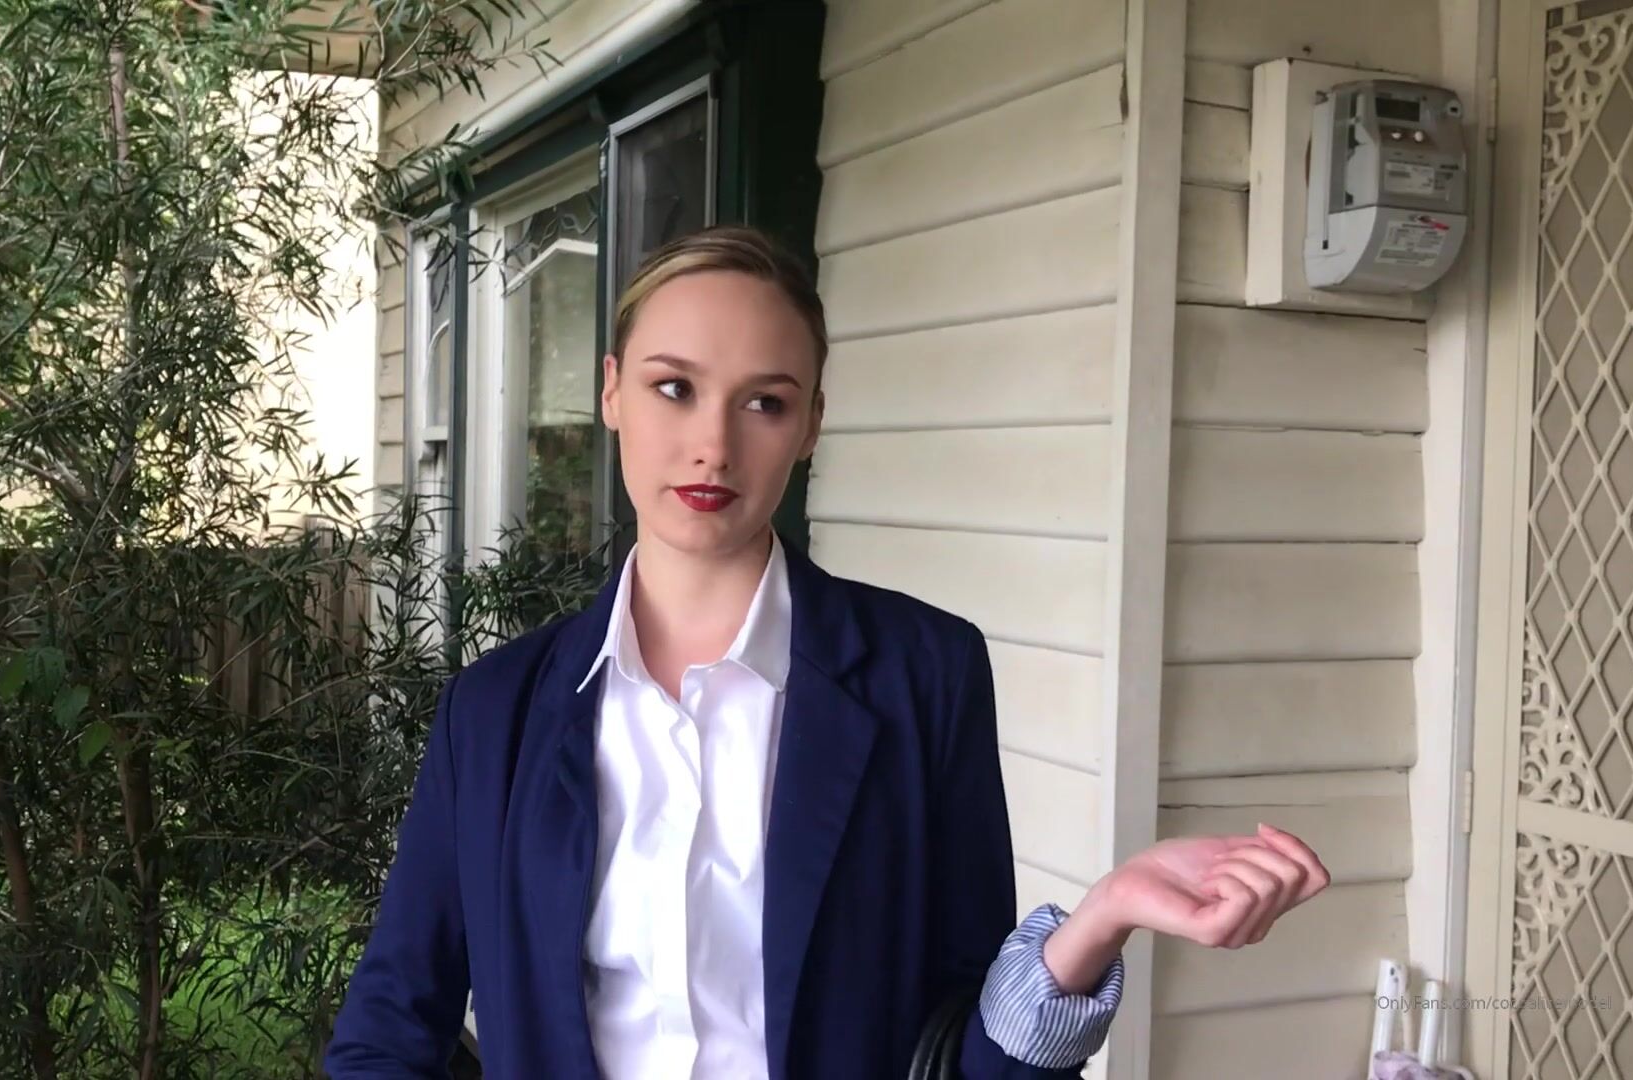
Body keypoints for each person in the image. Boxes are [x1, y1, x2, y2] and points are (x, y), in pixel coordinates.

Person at [323, 227, 1331, 1079]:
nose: (714, 444)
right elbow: (390, 1027)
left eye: (764, 402)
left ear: (812, 422)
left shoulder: (922, 675)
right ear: (613, 392)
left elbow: (960, 1047)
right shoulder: (494, 712)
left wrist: (1096, 923)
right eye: (675, 388)